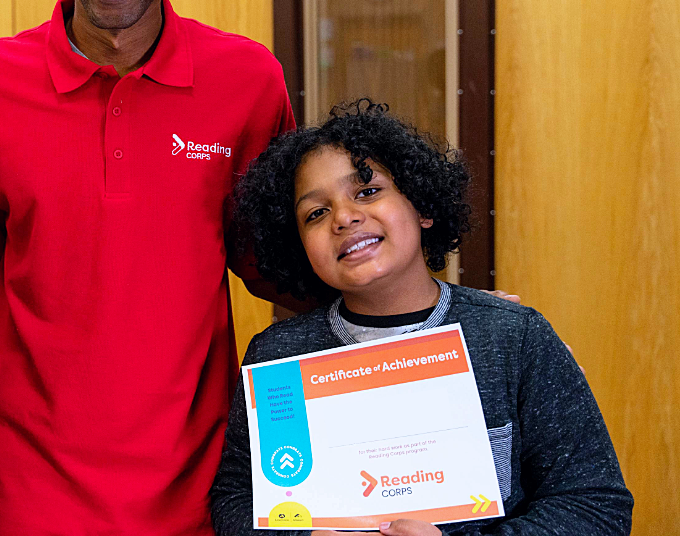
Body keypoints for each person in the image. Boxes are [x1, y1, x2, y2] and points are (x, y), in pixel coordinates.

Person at [0, 0, 297, 535]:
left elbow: (289, 278)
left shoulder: (249, 82)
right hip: (23, 489)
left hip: (196, 485)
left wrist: (445, 316)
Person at [211, 100, 632, 535]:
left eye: (368, 191)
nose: (345, 217)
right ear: (298, 246)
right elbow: (238, 498)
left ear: (423, 207)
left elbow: (595, 506)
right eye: (315, 213)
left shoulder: (514, 338)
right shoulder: (278, 356)